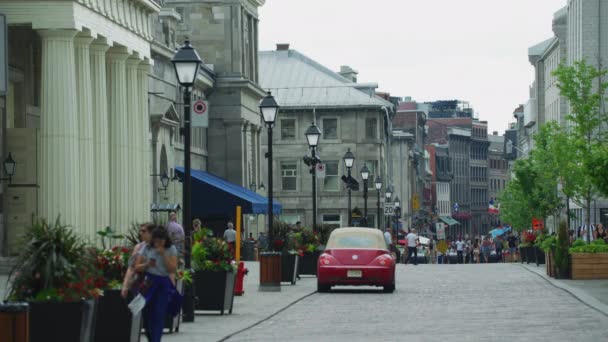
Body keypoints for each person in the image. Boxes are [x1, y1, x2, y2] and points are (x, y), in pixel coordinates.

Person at [134, 226, 181, 342]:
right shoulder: (147, 248)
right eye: (156, 240)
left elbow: (173, 269)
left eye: (162, 240)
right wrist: (147, 265)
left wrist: (163, 254)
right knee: (146, 311)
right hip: (148, 281)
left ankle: (156, 339)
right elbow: (137, 267)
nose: (159, 243)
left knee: (159, 313)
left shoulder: (171, 249)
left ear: (166, 240)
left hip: (162, 282)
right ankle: (151, 336)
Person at [121, 223, 154, 298]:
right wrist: (125, 286)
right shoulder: (138, 247)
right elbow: (131, 267)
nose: (141, 233)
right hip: (140, 283)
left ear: (151, 233)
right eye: (140, 231)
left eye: (143, 231)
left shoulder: (158, 247)